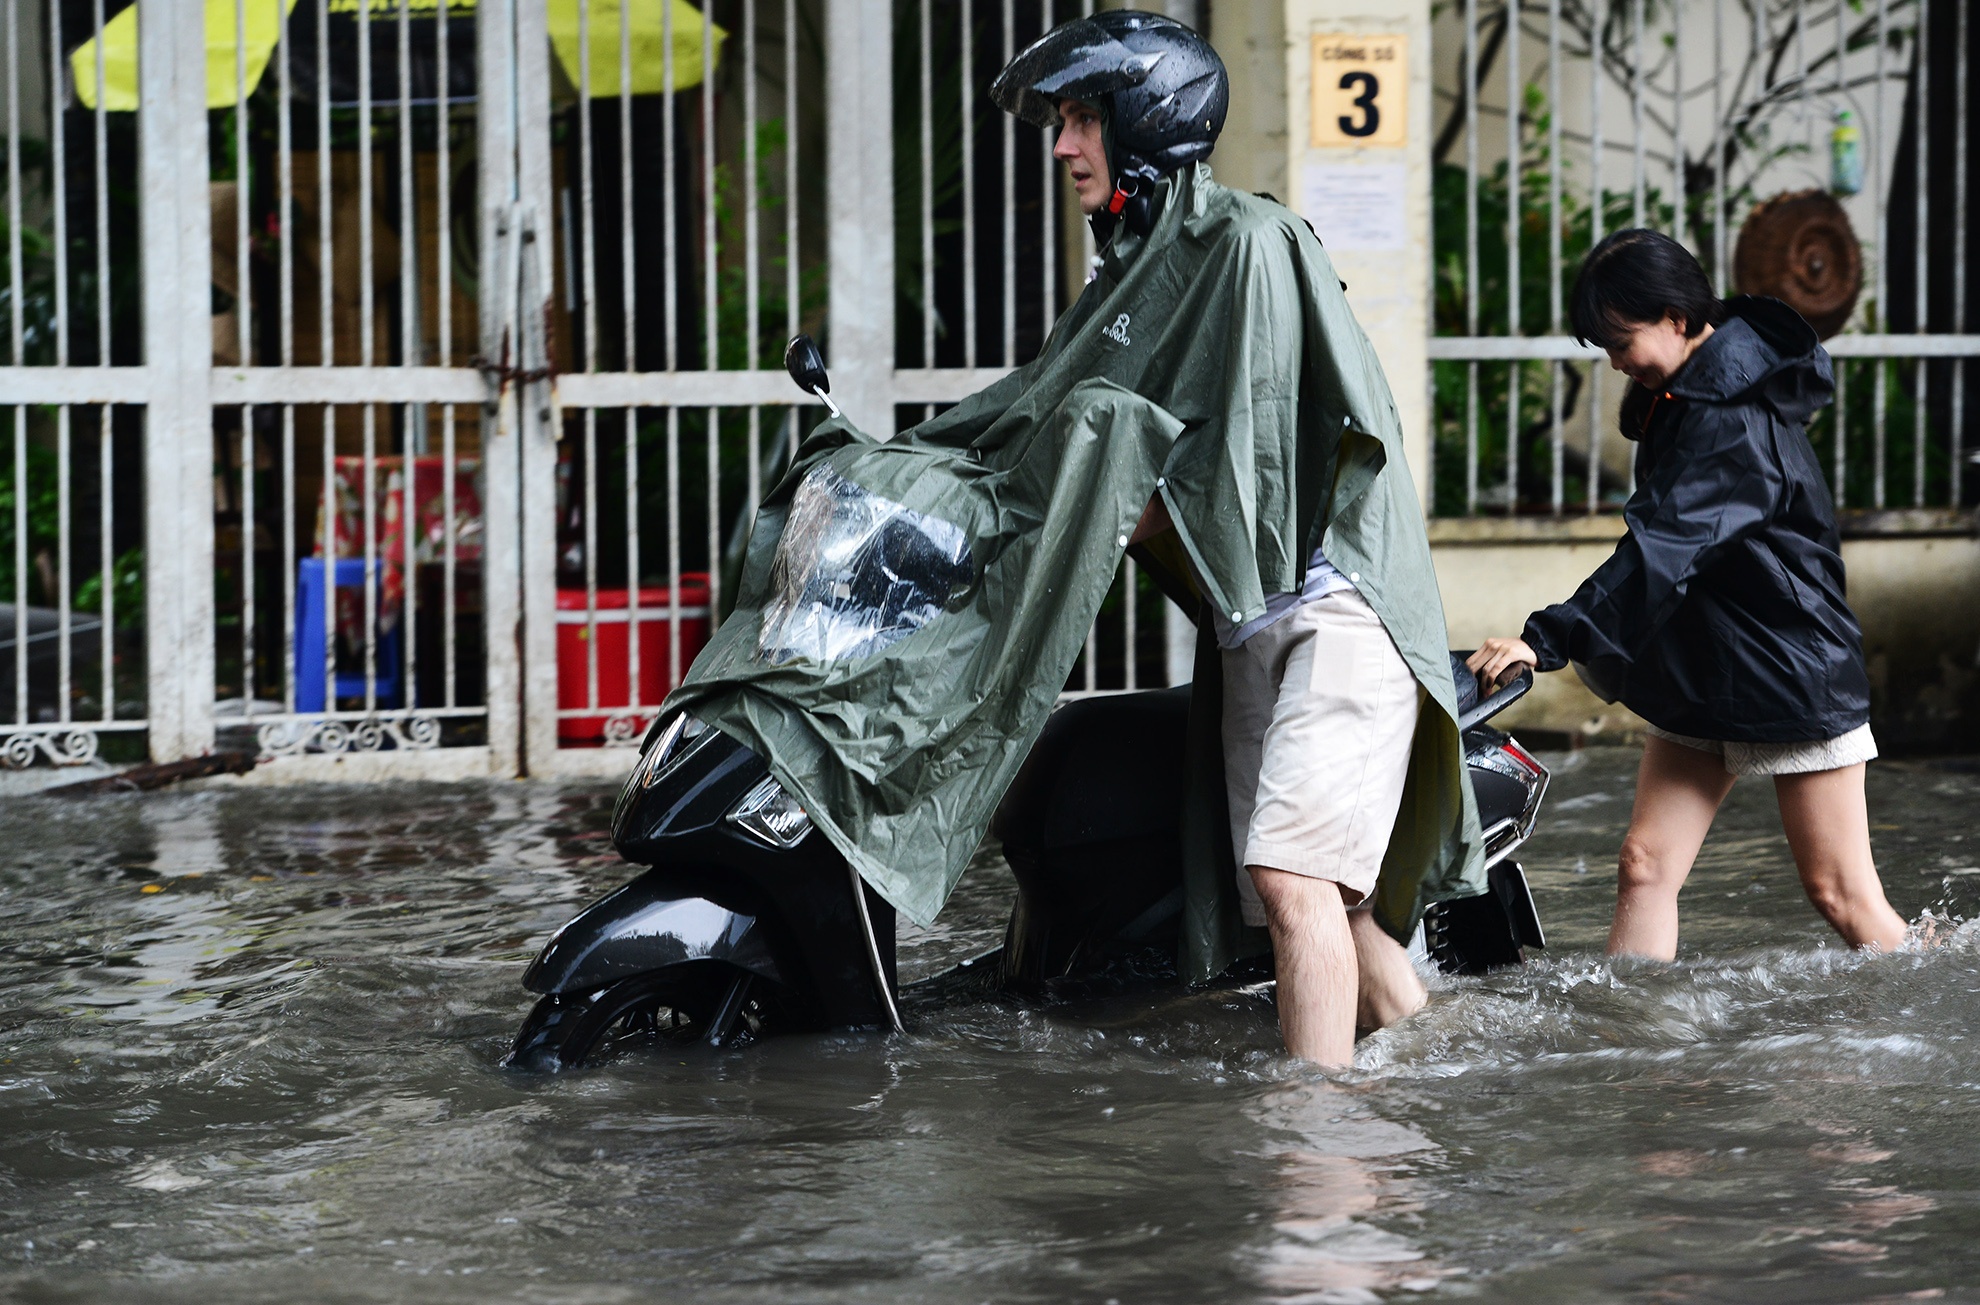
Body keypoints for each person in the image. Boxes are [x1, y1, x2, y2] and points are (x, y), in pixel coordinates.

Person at [992, 12, 1481, 1064]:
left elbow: (1241, 461)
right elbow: (1047, 422)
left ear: (1147, 127)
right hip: (1250, 620)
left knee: (1294, 883)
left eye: (1083, 120)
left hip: (1332, 606)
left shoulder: (1253, 244)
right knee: (1329, 907)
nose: (1063, 146)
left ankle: (1316, 1150)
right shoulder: (1132, 275)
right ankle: (1457, 1078)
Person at [1467, 229, 1906, 960]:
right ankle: (1634, 1058)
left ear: (1676, 317)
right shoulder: (1688, 389)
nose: (1613, 363)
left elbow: (1661, 548)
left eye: (1620, 341)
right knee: (1644, 866)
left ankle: (1932, 1011)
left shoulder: (1729, 418)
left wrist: (1546, 638)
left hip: (1789, 669)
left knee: (1841, 894)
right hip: (1706, 665)